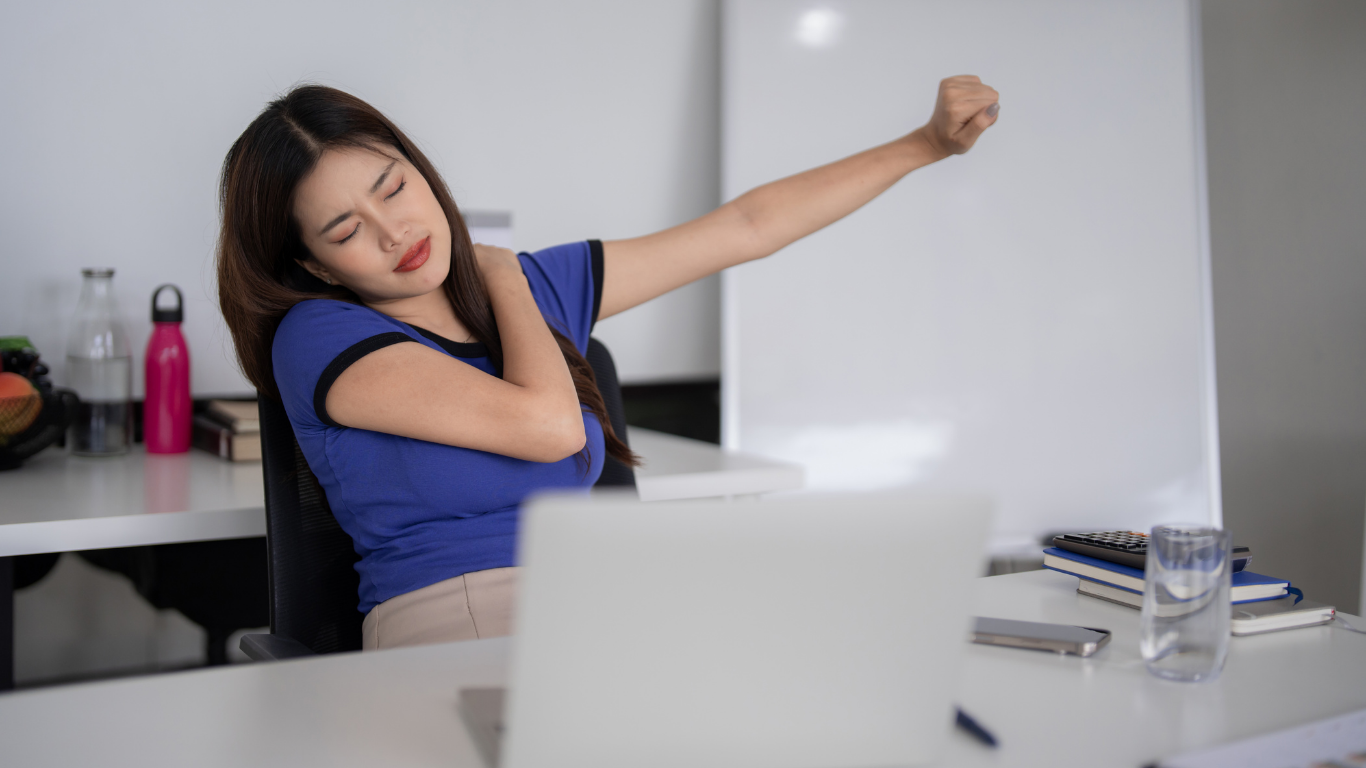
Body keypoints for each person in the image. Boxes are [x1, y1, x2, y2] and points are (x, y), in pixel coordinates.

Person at [216, 77, 999, 651]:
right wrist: (509, 281)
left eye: (394, 186)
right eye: (347, 229)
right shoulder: (316, 336)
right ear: (315, 264)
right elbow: (549, 425)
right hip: (458, 617)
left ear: (420, 168)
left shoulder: (529, 288)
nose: (394, 231)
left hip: (601, 608)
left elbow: (750, 225)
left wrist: (923, 145)